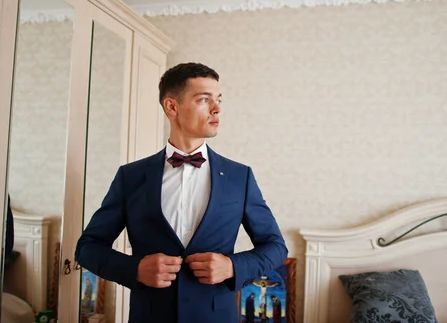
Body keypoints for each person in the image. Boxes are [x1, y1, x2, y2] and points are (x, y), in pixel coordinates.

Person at [75, 62, 288, 322]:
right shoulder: (131, 177)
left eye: (218, 99)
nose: (217, 108)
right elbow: (87, 248)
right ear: (172, 106)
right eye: (204, 99)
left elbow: (275, 247)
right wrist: (136, 269)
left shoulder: (239, 177)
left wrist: (232, 266)